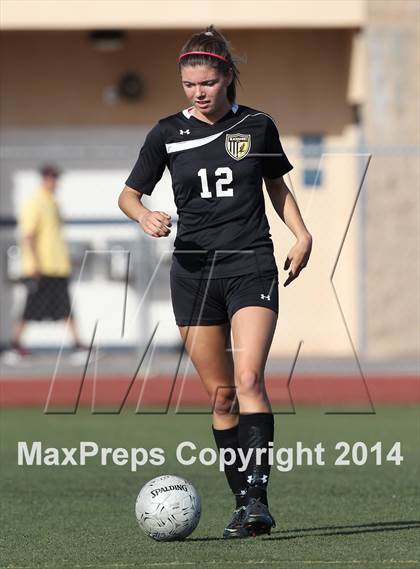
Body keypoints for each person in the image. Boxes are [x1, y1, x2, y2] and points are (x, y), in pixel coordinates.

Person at [118, 26, 312, 538]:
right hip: (194, 274)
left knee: (249, 380)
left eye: (206, 82)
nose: (198, 92)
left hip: (251, 265)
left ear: (228, 77)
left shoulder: (257, 125)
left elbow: (277, 186)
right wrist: (144, 216)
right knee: (222, 395)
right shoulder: (166, 134)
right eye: (188, 85)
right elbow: (128, 195)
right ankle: (239, 501)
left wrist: (302, 234)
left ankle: (257, 501)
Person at [6, 164, 85, 361]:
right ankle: (14, 347)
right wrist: (34, 265)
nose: (56, 182)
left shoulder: (53, 201)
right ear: (44, 178)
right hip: (41, 268)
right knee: (31, 308)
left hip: (57, 267)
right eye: (53, 178)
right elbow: (28, 235)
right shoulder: (35, 202)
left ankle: (78, 345)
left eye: (57, 178)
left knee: (65, 307)